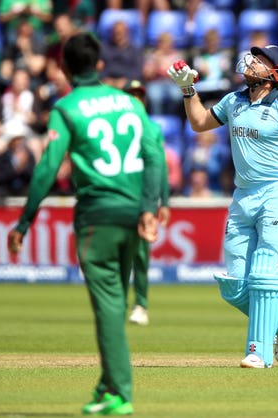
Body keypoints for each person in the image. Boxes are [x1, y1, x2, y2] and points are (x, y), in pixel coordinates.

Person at [6, 33, 164, 415]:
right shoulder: (130, 103)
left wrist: (25, 221)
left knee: (108, 305)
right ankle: (104, 387)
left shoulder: (67, 107)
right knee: (117, 299)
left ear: (62, 67)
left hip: (99, 215)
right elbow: (155, 154)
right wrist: (149, 207)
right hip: (133, 212)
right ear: (99, 65)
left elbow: (46, 168)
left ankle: (120, 394)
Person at [168, 44, 278, 368]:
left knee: (265, 277)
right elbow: (199, 123)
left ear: (275, 73)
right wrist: (188, 88)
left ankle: (259, 351)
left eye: (260, 60)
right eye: (253, 57)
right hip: (243, 197)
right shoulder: (234, 101)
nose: (251, 61)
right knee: (234, 287)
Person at [121, 78, 171, 326]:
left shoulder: (152, 128)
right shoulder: (117, 127)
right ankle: (117, 303)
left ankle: (140, 304)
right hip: (120, 196)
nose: (135, 100)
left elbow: (159, 167)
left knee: (140, 256)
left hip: (144, 198)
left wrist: (164, 201)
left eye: (138, 96)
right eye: (131, 95)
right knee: (118, 253)